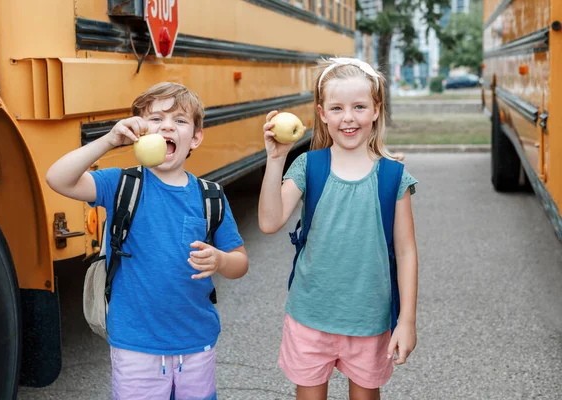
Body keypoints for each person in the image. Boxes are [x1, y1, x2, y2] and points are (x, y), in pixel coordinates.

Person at [46, 82, 248, 400]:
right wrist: (110, 140)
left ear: (196, 137)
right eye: (155, 119)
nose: (167, 125)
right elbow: (58, 178)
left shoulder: (210, 196)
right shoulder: (121, 184)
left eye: (180, 120)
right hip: (135, 344)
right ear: (140, 131)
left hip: (196, 341)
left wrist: (221, 260)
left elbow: (239, 262)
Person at [258, 58, 419, 400]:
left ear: (376, 110)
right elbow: (270, 222)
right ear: (322, 114)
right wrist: (275, 160)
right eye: (337, 108)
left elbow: (406, 253)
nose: (348, 117)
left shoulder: (393, 177)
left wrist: (407, 320)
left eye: (359, 106)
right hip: (310, 315)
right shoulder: (308, 165)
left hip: (369, 320)